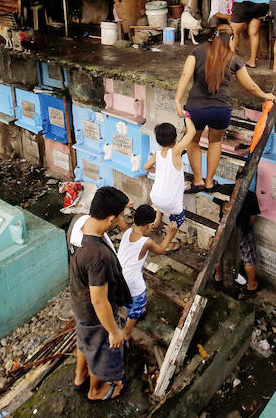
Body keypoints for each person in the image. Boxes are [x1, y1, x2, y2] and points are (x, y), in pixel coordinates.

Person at [174, 31, 276, 193]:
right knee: (215, 142)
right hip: (221, 110)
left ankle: (198, 181)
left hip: (196, 109)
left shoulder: (197, 52)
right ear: (231, 40)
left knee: (193, 141)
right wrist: (265, 95)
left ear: (212, 38)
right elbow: (250, 86)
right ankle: (209, 183)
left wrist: (178, 101)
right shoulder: (234, 59)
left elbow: (185, 75)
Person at [69, 186, 131, 402]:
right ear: (111, 218)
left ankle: (80, 376)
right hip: (95, 313)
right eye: (119, 218)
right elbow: (99, 300)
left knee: (84, 341)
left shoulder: (79, 223)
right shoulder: (98, 256)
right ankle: (96, 390)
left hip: (79, 303)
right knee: (101, 350)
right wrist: (114, 332)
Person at [117, 204, 179, 341]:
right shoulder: (146, 242)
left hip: (119, 278)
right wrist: (170, 234)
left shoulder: (126, 231)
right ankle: (126, 331)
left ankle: (131, 311)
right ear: (150, 225)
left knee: (128, 299)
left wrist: (124, 205)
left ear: (134, 220)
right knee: (138, 306)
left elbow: (119, 217)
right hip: (133, 284)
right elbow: (161, 249)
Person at [144, 117, 197, 237]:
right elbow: (192, 132)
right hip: (171, 203)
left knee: (162, 202)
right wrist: (187, 115)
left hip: (155, 198)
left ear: (158, 141)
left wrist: (159, 171)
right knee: (178, 219)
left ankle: (157, 221)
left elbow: (146, 167)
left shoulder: (157, 154)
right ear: (176, 139)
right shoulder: (176, 151)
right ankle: (169, 238)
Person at [214, 190, 261, 292]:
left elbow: (220, 209)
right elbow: (253, 217)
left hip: (223, 230)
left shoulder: (224, 189)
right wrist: (248, 227)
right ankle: (251, 284)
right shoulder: (250, 195)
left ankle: (218, 275)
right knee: (248, 257)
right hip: (242, 231)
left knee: (218, 254)